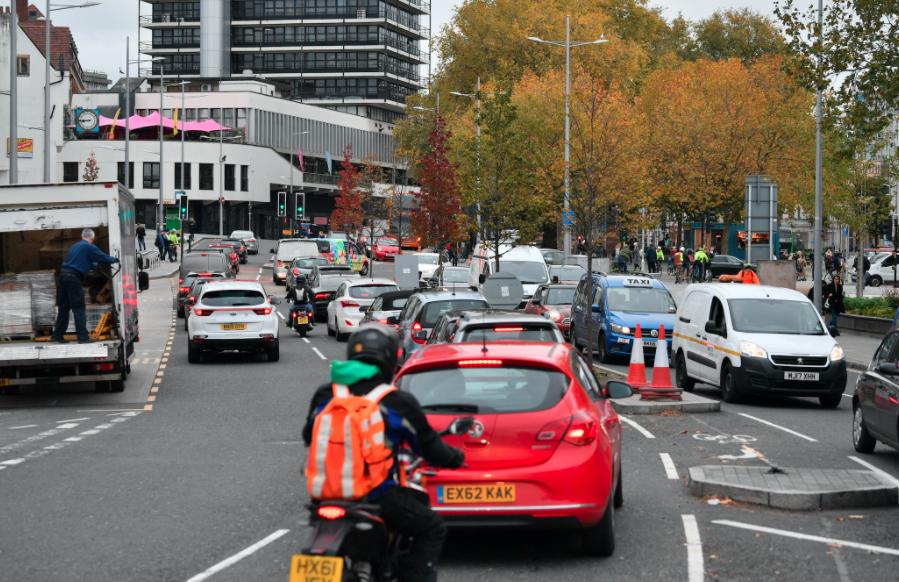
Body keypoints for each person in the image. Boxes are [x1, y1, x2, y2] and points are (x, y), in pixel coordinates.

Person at [303, 326, 464, 582]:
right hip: (377, 496)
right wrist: (454, 458)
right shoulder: (396, 401)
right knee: (431, 528)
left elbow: (308, 436)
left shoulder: (327, 393)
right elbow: (430, 446)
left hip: (325, 497)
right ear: (391, 359)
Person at [51, 228, 119, 344]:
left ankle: (57, 335)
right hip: (73, 279)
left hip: (63, 278)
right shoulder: (90, 247)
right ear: (93, 238)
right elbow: (103, 258)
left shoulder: (75, 246)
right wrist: (115, 259)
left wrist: (91, 263)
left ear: (82, 236)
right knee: (79, 308)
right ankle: (83, 337)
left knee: (64, 308)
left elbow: (78, 260)